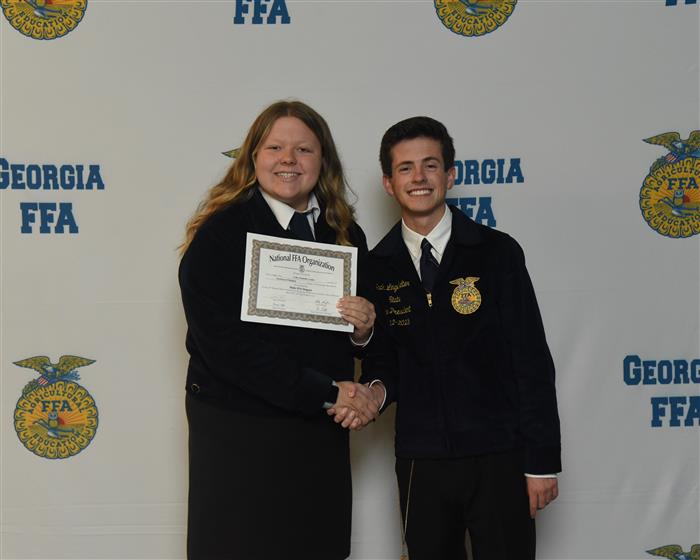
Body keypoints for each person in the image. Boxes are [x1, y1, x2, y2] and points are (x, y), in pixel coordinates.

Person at [178, 100, 379, 560]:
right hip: (240, 432)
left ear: (323, 160)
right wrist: (327, 392)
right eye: (275, 148)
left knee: (315, 546)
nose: (289, 159)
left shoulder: (345, 233)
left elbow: (368, 336)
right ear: (253, 157)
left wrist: (363, 330)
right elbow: (225, 347)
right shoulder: (221, 234)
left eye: (303, 149)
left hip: (319, 433)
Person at [355, 116, 562, 559]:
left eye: (430, 165)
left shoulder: (497, 252)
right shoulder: (375, 266)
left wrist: (541, 461)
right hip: (421, 459)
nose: (419, 177)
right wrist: (373, 388)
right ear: (389, 183)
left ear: (450, 175)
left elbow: (531, 360)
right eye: (406, 168)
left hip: (499, 454)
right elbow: (383, 361)